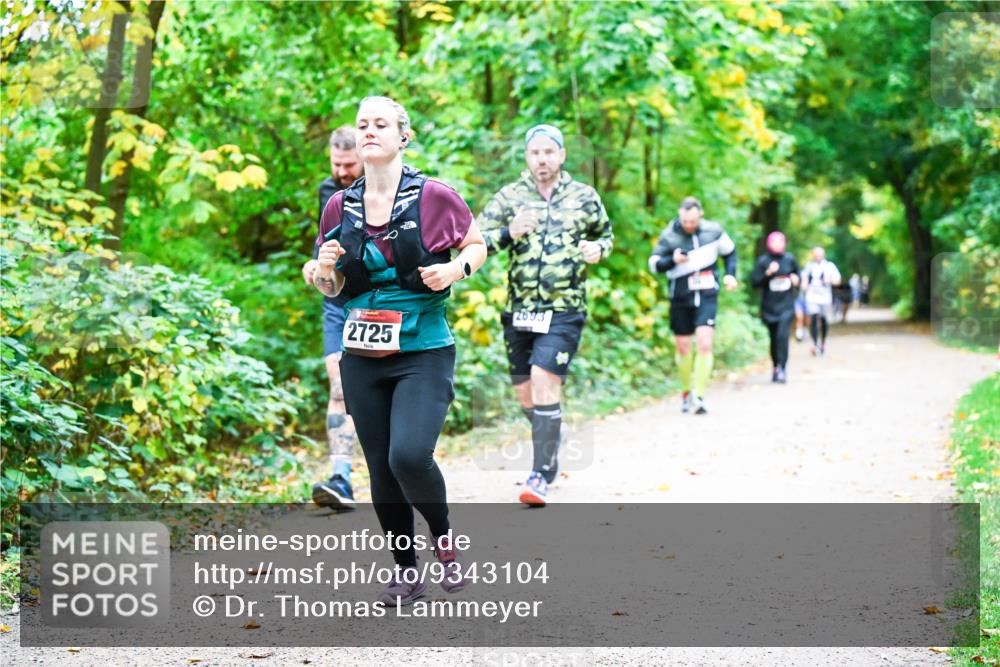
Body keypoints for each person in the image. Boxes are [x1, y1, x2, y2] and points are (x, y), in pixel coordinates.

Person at [313, 96, 487, 604]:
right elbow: (331, 285)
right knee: (381, 466)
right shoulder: (337, 206)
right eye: (362, 124)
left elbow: (475, 244)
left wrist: (457, 269)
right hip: (361, 352)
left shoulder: (434, 196)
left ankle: (444, 537)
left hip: (423, 349)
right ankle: (406, 571)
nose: (370, 131)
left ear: (402, 136)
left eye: (380, 124)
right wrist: (323, 270)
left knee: (409, 455)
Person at [478, 124, 613, 508]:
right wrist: (509, 231)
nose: (542, 159)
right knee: (526, 396)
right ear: (527, 157)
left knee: (543, 381)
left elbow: (606, 235)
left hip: (564, 309)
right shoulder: (511, 196)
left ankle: (540, 475)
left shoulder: (584, 197)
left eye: (549, 152)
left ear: (562, 155)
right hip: (519, 309)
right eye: (535, 152)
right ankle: (553, 434)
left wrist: (597, 250)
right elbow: (475, 239)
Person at [302, 126, 364, 511]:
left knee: (377, 390)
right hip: (337, 302)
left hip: (378, 301)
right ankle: (341, 476)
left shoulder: (390, 188)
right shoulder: (329, 190)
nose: (342, 172)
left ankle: (398, 464)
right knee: (339, 385)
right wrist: (313, 265)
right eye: (336, 164)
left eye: (349, 164)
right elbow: (323, 243)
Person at [648, 197, 738, 415]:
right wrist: (672, 260)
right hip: (680, 297)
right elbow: (653, 265)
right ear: (680, 215)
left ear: (701, 215)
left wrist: (730, 275)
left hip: (707, 295)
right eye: (685, 221)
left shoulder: (714, 231)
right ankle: (686, 392)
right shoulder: (669, 235)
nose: (689, 225)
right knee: (683, 347)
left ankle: (699, 395)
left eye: (693, 221)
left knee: (705, 343)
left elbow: (730, 252)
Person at [750, 231, 800, 383]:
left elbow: (799, 277)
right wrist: (768, 273)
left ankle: (782, 368)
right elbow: (754, 282)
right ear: (769, 244)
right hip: (769, 307)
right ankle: (775, 366)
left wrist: (796, 279)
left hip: (786, 306)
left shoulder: (790, 259)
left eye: (780, 242)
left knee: (782, 337)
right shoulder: (763, 261)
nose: (778, 245)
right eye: (775, 242)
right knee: (773, 338)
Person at [801, 246, 842, 356]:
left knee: (824, 320)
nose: (818, 257)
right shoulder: (809, 266)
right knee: (813, 318)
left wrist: (830, 280)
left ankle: (823, 342)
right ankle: (815, 344)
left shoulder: (829, 266)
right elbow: (804, 279)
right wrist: (804, 285)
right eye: (816, 255)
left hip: (825, 298)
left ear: (824, 255)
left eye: (820, 255)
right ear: (813, 255)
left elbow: (838, 280)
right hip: (811, 297)